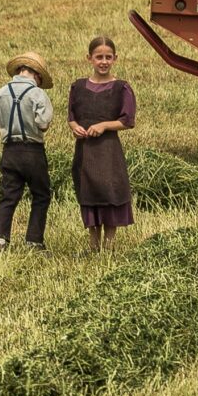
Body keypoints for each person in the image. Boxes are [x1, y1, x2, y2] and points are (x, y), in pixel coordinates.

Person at [65, 34, 138, 253]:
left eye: (108, 57)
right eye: (99, 57)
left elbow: (127, 121)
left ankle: (110, 245)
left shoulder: (121, 88)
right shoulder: (77, 87)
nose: (103, 61)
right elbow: (71, 116)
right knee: (89, 194)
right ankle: (93, 245)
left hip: (108, 152)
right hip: (85, 151)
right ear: (89, 58)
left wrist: (105, 125)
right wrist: (74, 127)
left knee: (110, 193)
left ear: (115, 58)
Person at [0, 51, 54, 253]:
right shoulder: (38, 94)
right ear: (37, 75)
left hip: (10, 151)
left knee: (9, 195)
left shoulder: (1, 92)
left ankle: (0, 239)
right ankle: (33, 241)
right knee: (41, 195)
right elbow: (43, 124)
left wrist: (7, 123)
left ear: (19, 70)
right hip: (33, 151)